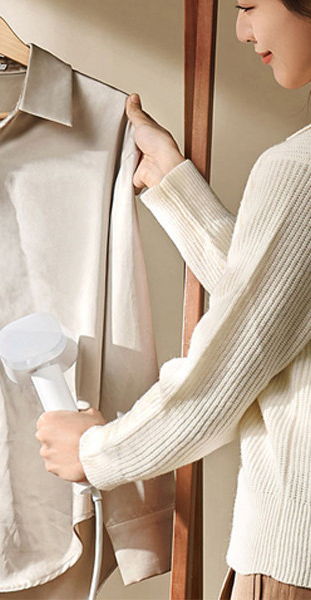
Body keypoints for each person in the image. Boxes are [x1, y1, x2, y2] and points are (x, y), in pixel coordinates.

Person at [35, 1, 311, 598]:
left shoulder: (299, 170)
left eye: (249, 5)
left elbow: (221, 377)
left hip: (296, 563)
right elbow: (282, 307)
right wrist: (175, 188)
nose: (241, 30)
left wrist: (96, 452)